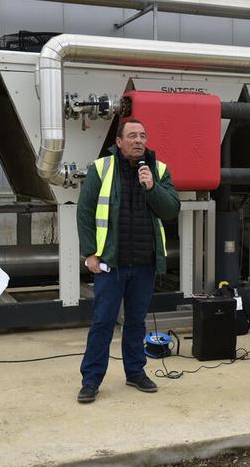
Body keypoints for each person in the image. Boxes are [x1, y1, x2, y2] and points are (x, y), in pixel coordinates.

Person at [76, 119, 181, 404]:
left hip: (144, 263)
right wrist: (90, 254)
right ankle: (91, 380)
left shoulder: (157, 171)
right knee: (103, 322)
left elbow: (171, 209)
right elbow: (85, 213)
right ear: (119, 141)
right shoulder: (101, 169)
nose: (138, 140)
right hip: (111, 263)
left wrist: (151, 187)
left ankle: (135, 372)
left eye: (143, 136)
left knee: (136, 322)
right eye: (132, 135)